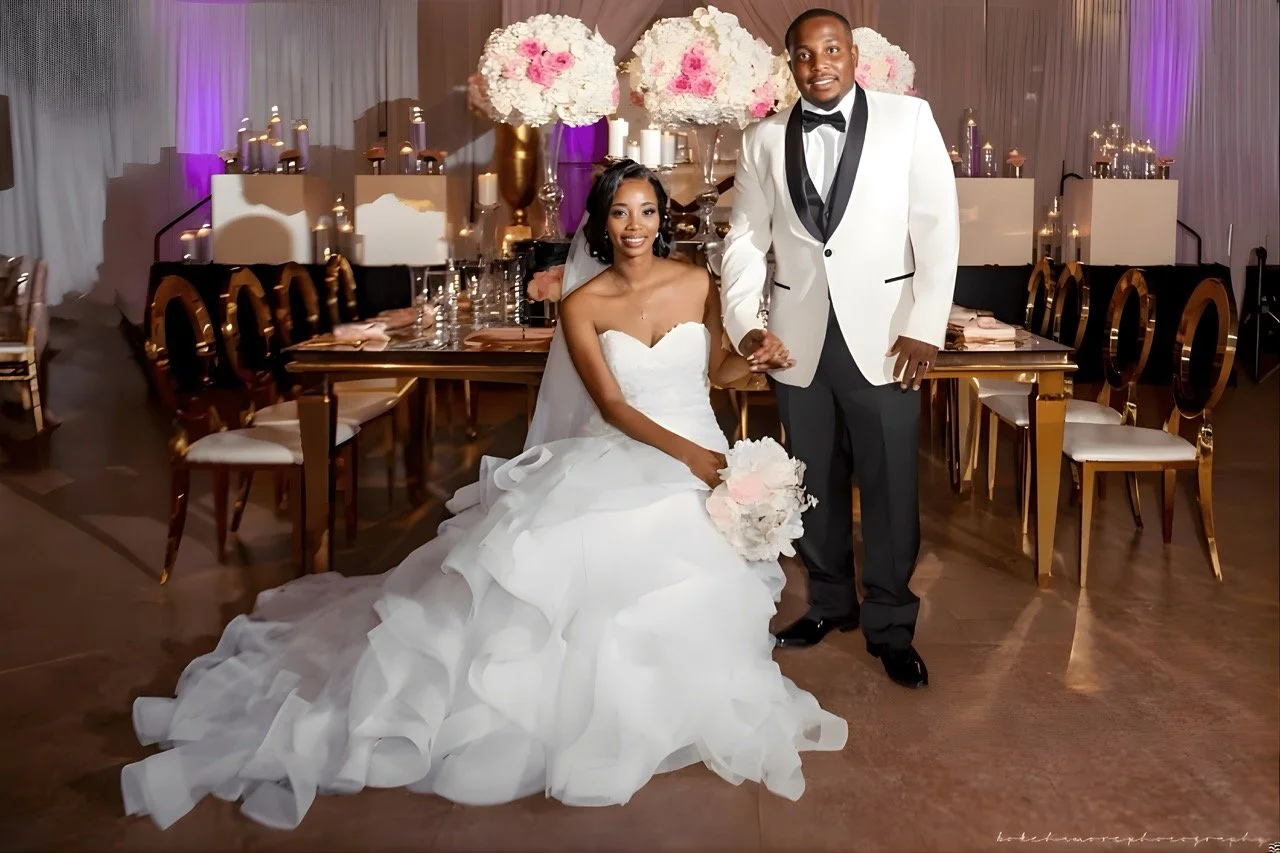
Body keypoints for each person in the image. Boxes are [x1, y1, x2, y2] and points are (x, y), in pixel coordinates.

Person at [120, 161, 847, 831]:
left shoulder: (698, 283)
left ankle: (676, 709)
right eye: (622, 213)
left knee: (696, 586)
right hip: (631, 453)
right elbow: (616, 406)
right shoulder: (582, 302)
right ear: (602, 221)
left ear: (664, 218)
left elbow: (717, 372)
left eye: (648, 212)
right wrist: (698, 460)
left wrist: (753, 359)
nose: (636, 226)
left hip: (700, 446)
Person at [720, 9, 960, 689]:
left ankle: (890, 625)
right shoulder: (763, 138)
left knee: (888, 485)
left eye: (831, 50)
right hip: (796, 339)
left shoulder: (908, 121)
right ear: (788, 63)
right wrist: (746, 324)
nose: (819, 64)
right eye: (803, 54)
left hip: (888, 336)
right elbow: (744, 240)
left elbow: (937, 227)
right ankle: (829, 602)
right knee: (811, 483)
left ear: (854, 55)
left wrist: (926, 322)